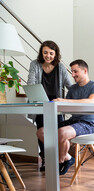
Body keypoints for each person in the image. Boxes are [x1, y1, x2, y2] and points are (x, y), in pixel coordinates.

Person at [36, 59, 94, 175]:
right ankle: (67, 158)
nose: (72, 75)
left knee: (62, 133)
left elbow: (92, 101)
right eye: (72, 72)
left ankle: (59, 162)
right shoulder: (73, 88)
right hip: (73, 121)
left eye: (75, 71)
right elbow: (65, 105)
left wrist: (65, 100)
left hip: (89, 123)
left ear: (85, 71)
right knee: (41, 132)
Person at [28, 40, 73, 171]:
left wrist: (72, 99)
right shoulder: (34, 64)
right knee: (42, 132)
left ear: (56, 54)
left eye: (51, 53)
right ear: (41, 53)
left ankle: (61, 157)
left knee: (58, 133)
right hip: (40, 104)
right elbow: (31, 83)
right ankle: (47, 159)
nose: (48, 56)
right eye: (45, 52)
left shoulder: (60, 67)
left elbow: (69, 85)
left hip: (56, 105)